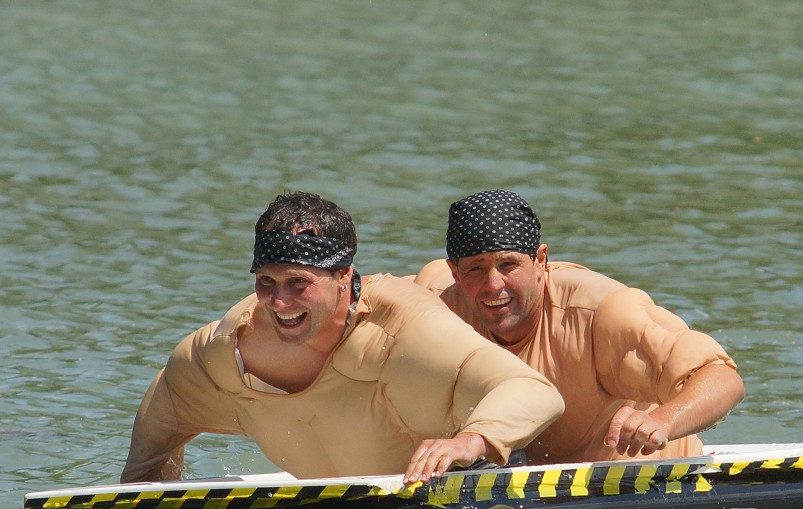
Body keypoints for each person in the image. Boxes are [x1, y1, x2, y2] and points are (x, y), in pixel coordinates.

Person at [121, 191, 564, 485]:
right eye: (267, 282)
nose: (279, 302)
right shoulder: (226, 352)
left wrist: (469, 442)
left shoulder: (408, 330)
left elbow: (535, 391)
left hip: (471, 487)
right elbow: (162, 423)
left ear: (344, 276)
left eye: (298, 283)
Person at [414, 190, 745, 465]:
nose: (493, 285)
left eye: (508, 264)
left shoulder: (604, 313)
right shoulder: (435, 303)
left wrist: (662, 422)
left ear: (541, 261)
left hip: (641, 480)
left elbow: (722, 379)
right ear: (454, 273)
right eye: (475, 269)